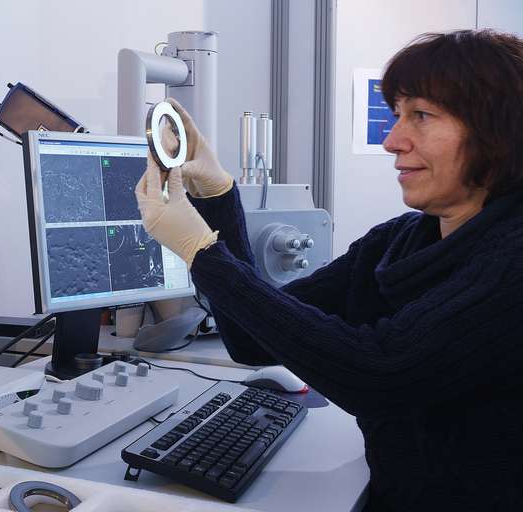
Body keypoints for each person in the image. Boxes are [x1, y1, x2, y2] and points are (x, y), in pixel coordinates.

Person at [135, 29, 523, 510]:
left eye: (421, 116)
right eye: (397, 115)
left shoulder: (511, 264)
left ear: (499, 132)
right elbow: (251, 340)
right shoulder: (398, 241)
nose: (392, 141)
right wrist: (218, 197)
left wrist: (203, 254)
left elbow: (380, 375)